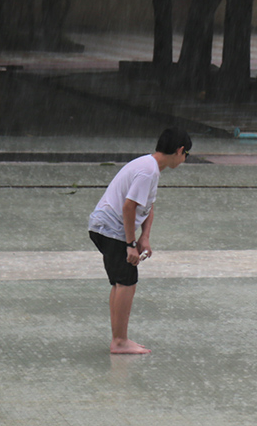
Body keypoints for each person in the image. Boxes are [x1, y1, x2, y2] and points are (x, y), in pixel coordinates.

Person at [87, 127, 191, 354]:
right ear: (180, 150)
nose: (184, 159)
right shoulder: (147, 171)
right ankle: (119, 341)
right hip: (110, 228)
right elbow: (129, 206)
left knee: (121, 282)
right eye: (186, 155)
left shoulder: (150, 167)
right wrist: (130, 244)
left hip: (105, 227)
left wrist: (144, 237)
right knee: (126, 281)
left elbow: (147, 204)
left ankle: (119, 338)